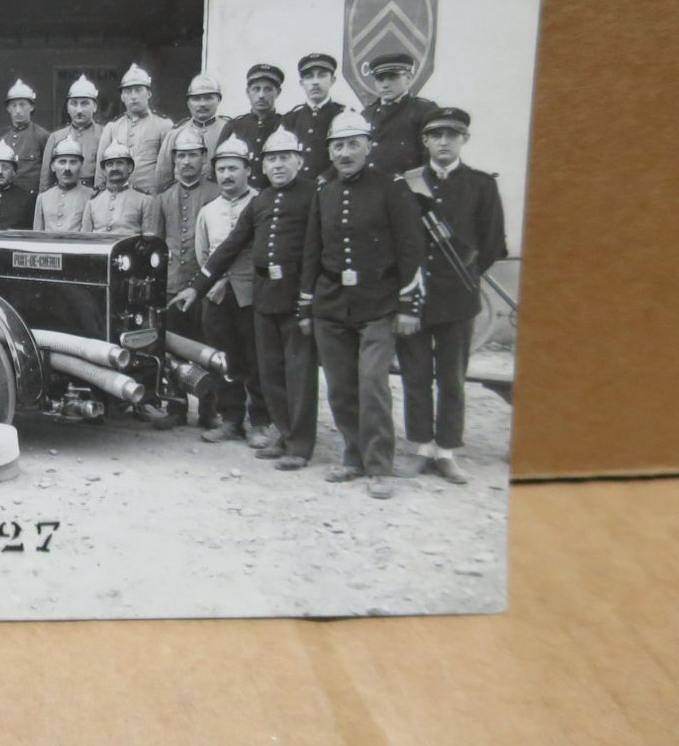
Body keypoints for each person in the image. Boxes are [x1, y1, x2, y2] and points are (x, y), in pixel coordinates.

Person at [298, 109, 426, 500]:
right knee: (340, 386)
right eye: (338, 145)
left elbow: (411, 248)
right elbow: (312, 251)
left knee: (373, 383)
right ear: (330, 152)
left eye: (354, 143)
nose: (345, 152)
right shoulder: (325, 191)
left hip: (379, 303)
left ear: (369, 146)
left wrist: (409, 305)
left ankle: (378, 465)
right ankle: (352, 457)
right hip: (333, 304)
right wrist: (307, 305)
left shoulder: (392, 188)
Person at [172, 127, 319, 468]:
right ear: (265, 165)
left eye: (285, 158)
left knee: (277, 369)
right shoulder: (256, 204)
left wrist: (310, 297)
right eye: (273, 159)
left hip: (273, 295)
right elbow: (223, 249)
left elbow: (315, 251)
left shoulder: (312, 195)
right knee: (238, 362)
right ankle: (237, 421)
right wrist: (198, 286)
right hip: (232, 295)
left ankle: (272, 428)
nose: (278, 165)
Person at [397, 108, 507, 484]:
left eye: (452, 135)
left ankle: (446, 450)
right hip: (412, 297)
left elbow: (493, 244)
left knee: (451, 378)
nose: (444, 142)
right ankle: (421, 447)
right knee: (414, 375)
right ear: (425, 141)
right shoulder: (406, 184)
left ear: (464, 140)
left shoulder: (481, 185)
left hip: (457, 300)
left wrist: (463, 277)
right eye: (436, 135)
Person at [189, 137, 270, 445]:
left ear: (248, 170)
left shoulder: (261, 202)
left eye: (233, 168)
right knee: (224, 360)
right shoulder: (209, 211)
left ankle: (261, 421)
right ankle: (231, 419)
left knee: (256, 358)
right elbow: (203, 254)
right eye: (221, 169)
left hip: (252, 295)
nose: (227, 175)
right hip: (218, 295)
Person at [149, 125, 221, 426]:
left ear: (204, 158)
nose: (187, 162)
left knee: (209, 347)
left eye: (193, 155)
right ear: (174, 160)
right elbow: (155, 244)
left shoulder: (216, 193)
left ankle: (209, 411)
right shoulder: (163, 198)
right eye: (181, 156)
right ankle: (176, 408)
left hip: (207, 286)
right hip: (172, 285)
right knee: (173, 347)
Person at [95, 63, 173, 192]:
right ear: (122, 97)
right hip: (117, 197)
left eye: (138, 90)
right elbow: (100, 170)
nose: (133, 96)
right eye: (128, 91)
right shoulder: (112, 127)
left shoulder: (164, 125)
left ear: (148, 93)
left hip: (151, 197)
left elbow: (168, 168)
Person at [363, 52, 439, 175]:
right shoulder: (366, 114)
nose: (385, 85)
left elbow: (431, 159)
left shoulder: (423, 110)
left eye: (392, 77)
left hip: (408, 188)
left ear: (408, 78)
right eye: (380, 79)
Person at [154, 74, 230, 191]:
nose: (202, 104)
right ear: (188, 102)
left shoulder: (229, 129)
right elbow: (163, 177)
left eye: (208, 98)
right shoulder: (176, 133)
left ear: (219, 99)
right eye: (196, 99)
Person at [218, 64, 284, 191]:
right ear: (248, 92)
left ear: (278, 92)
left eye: (268, 89)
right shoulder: (234, 126)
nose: (261, 95)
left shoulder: (285, 124)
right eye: (256, 89)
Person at [279, 53, 345, 181]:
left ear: (332, 80)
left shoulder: (343, 115)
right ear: (302, 83)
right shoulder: (290, 119)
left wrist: (326, 177)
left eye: (322, 75)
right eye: (309, 77)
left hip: (333, 187)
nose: (315, 82)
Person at [39, 74, 104, 191]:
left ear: (94, 106)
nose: (79, 110)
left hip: (94, 195)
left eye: (84, 103)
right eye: (74, 103)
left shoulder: (104, 134)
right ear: (68, 108)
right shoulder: (56, 137)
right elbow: (46, 179)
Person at [82, 141, 159, 236]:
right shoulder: (93, 201)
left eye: (119, 163)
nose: (114, 168)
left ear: (130, 167)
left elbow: (150, 240)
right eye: (110, 164)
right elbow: (85, 238)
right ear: (104, 170)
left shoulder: (145, 200)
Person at [0, 80, 50, 195]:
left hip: (32, 197)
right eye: (13, 105)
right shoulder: (3, 139)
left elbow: (48, 172)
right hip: (9, 197)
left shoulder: (42, 136)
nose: (18, 111)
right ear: (8, 108)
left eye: (22, 105)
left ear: (31, 107)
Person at [33, 137, 93, 232]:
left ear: (81, 165)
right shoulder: (43, 198)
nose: (67, 168)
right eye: (62, 162)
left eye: (73, 162)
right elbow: (37, 234)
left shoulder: (91, 196)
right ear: (52, 166)